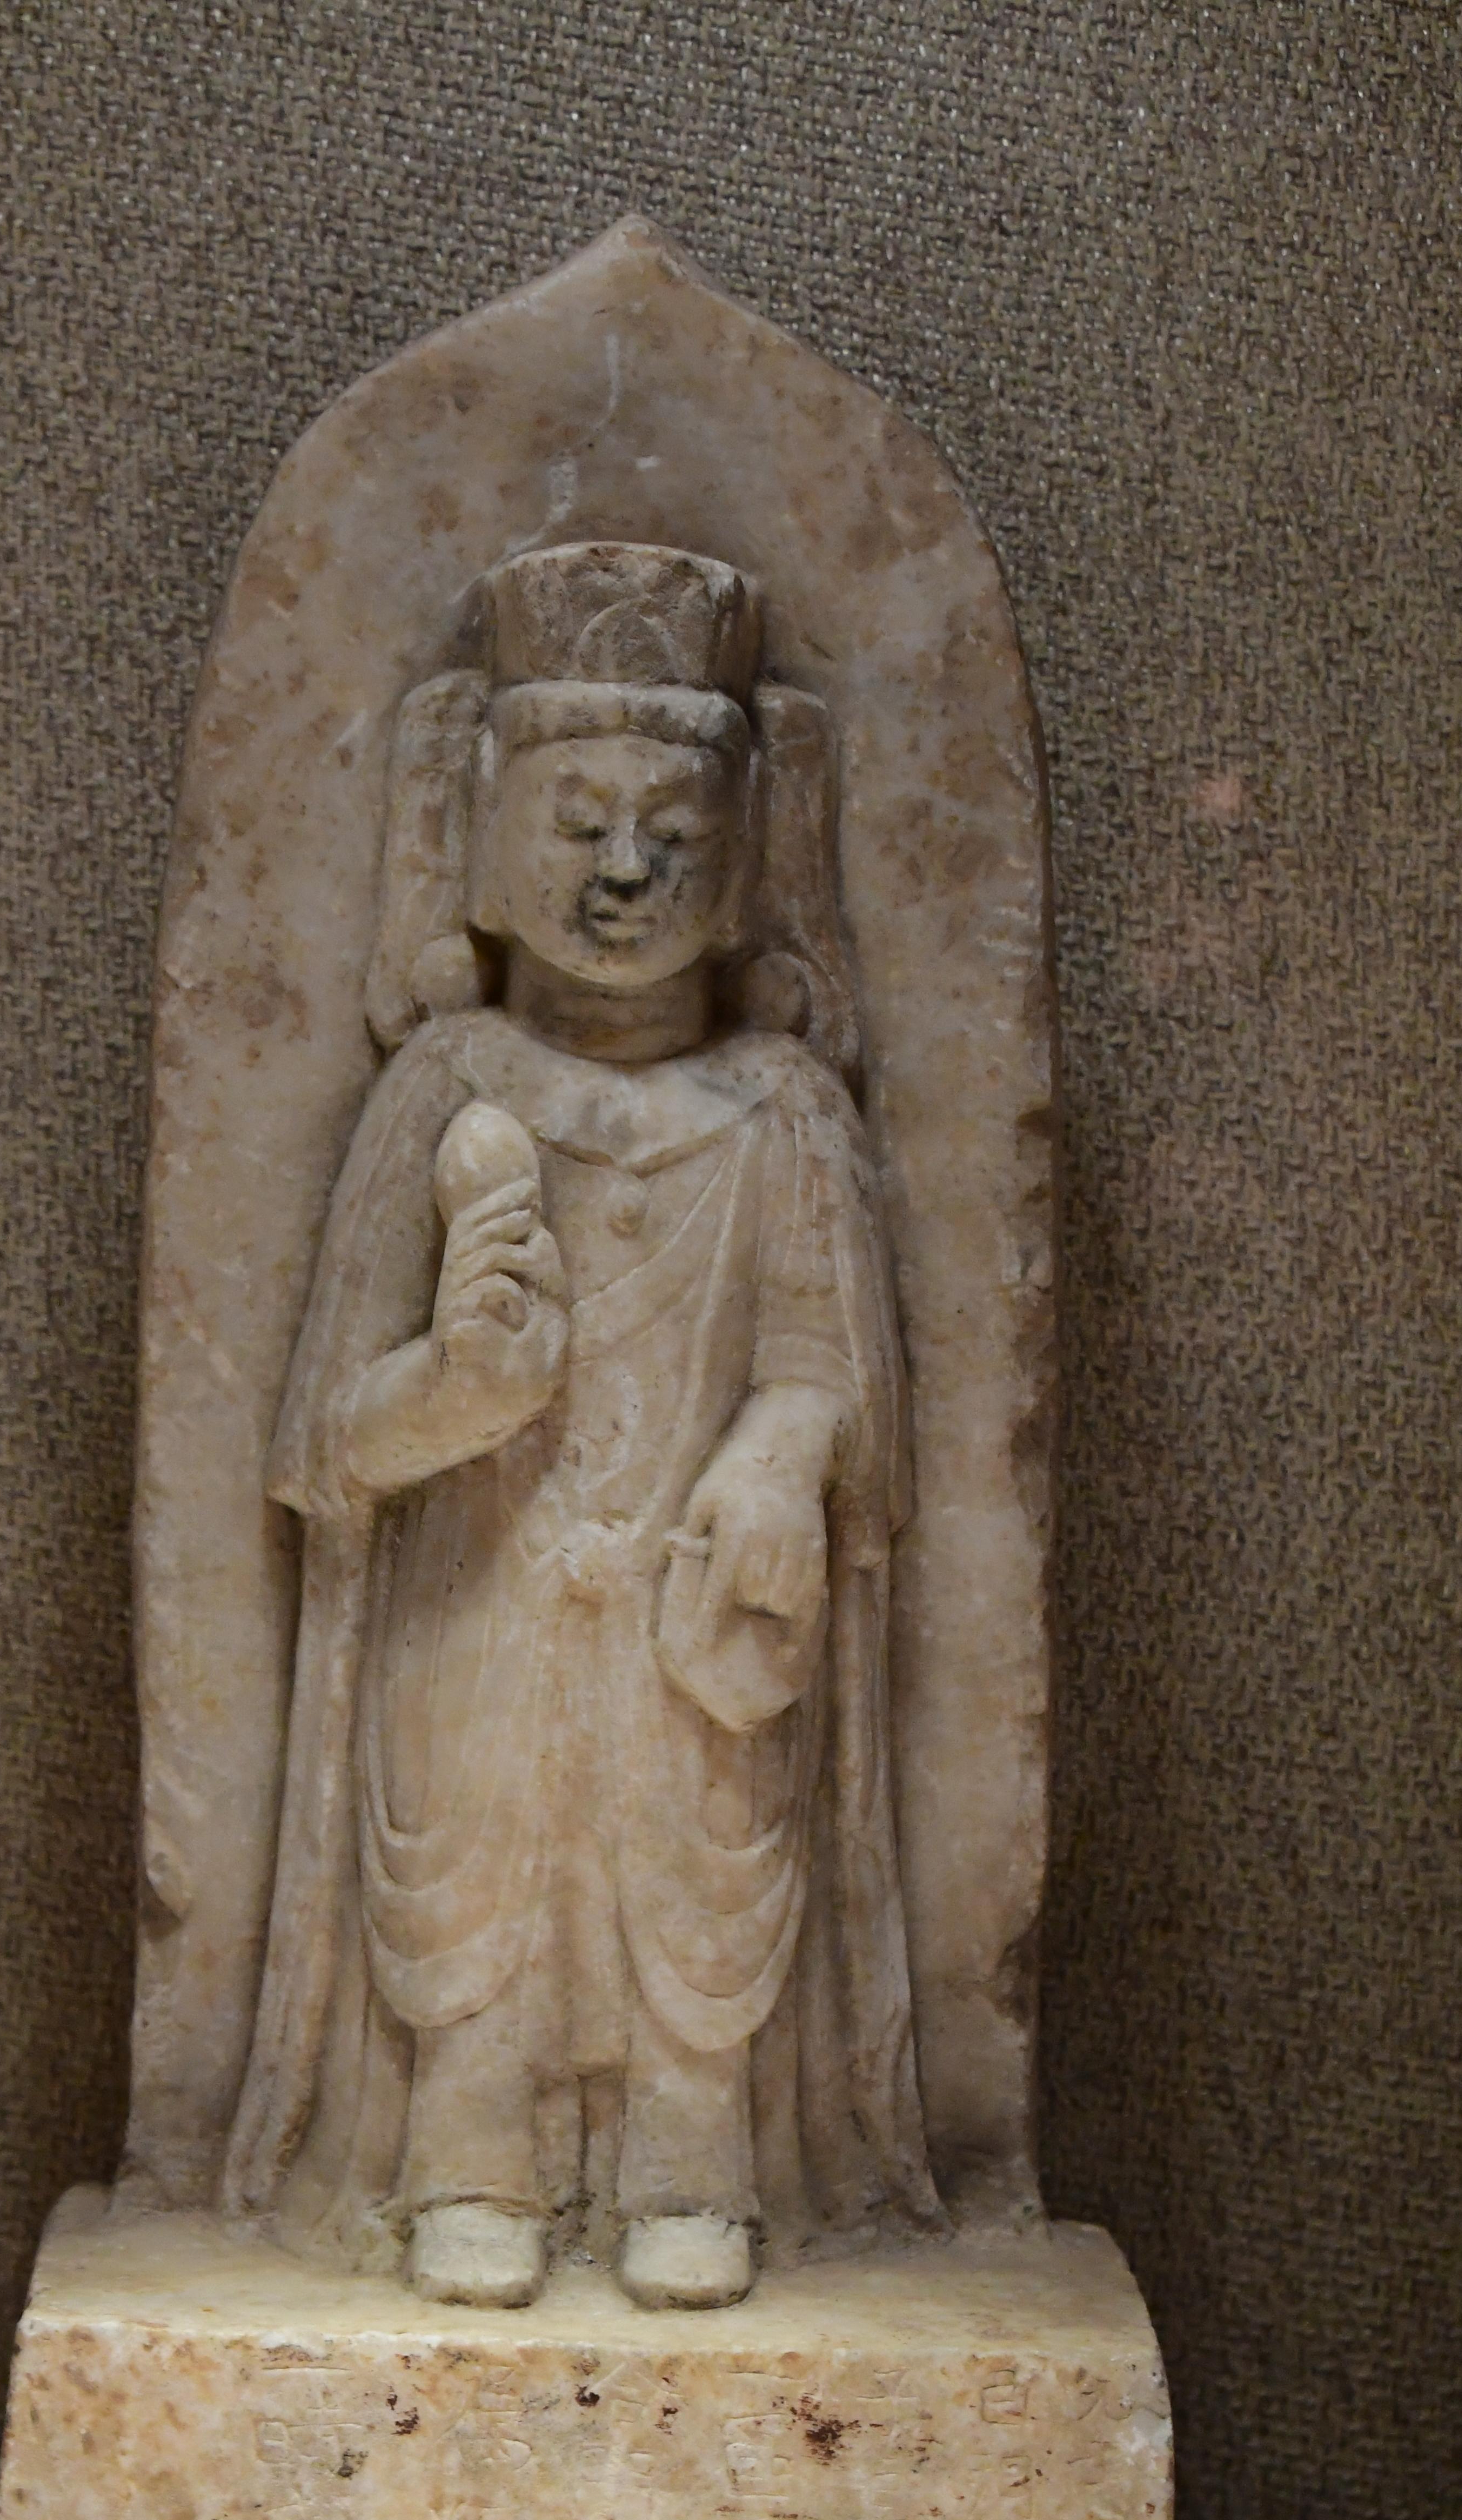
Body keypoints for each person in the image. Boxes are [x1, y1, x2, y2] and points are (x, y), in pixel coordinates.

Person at [223, 542, 940, 2308]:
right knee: (478, 1863)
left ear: (747, 853)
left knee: (700, 1850)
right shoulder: (446, 1090)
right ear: (481, 828)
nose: (625, 869)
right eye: (578, 820)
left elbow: (827, 1364)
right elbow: (325, 1439)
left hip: (691, 1604)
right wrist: (455, 1391)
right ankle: (469, 2149)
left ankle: (693, 2155)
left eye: (674, 829)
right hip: (480, 1596)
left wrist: (776, 1455)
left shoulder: (779, 1110)